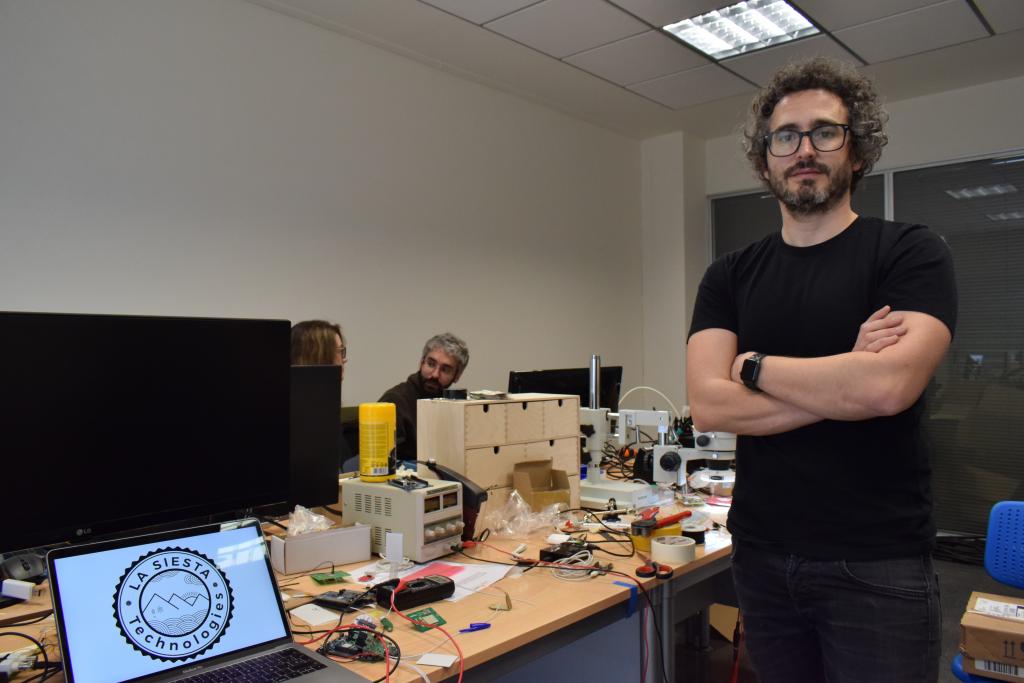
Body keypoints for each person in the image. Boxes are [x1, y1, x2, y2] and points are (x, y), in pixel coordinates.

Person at [686, 57, 957, 683]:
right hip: (762, 556)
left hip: (878, 560)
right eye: (786, 136)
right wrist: (848, 376)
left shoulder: (910, 253)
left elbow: (888, 388)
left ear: (856, 152)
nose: (804, 149)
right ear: (765, 161)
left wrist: (752, 366)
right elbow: (710, 407)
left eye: (825, 132)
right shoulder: (729, 276)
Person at [379, 332, 469, 465]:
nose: (435, 374)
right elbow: (384, 461)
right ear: (421, 363)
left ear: (457, 376)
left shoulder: (454, 406)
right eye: (431, 364)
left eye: (445, 370)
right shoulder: (394, 401)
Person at [290, 319, 355, 470]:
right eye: (340, 351)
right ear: (319, 356)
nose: (345, 359)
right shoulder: (306, 419)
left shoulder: (321, 409)